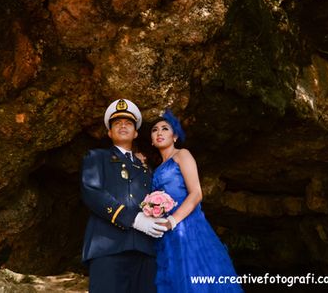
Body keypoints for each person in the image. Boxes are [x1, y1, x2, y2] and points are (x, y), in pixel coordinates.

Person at [81, 98, 169, 293]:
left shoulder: (146, 168)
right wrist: (132, 218)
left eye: (128, 123)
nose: (123, 125)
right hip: (107, 248)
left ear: (136, 133)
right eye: (117, 123)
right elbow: (92, 192)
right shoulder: (96, 157)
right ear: (109, 132)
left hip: (146, 250)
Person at [150, 110, 243, 292]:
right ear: (151, 140)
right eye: (154, 130)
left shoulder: (182, 155)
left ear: (175, 136)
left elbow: (196, 193)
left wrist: (173, 220)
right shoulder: (156, 168)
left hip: (187, 227)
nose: (159, 132)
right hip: (166, 233)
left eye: (165, 128)